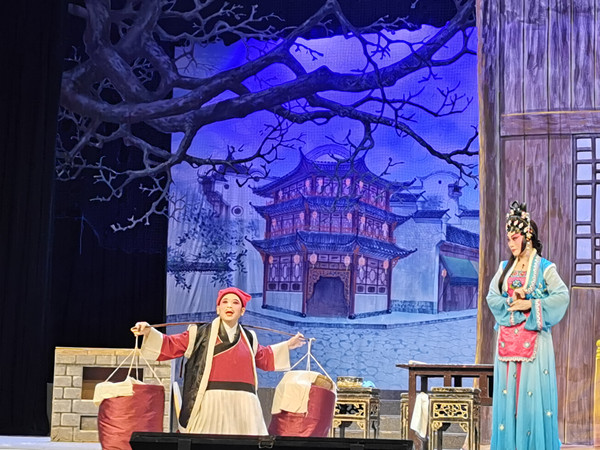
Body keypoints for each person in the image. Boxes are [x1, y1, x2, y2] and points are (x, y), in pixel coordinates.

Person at [131, 287, 306, 435]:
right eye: (225, 302)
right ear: (218, 308)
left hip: (244, 405)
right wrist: (148, 332)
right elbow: (171, 344)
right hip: (210, 402)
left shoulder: (249, 338)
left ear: (242, 311)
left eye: (235, 302)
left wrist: (288, 345)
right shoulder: (199, 334)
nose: (229, 305)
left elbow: (264, 356)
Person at [486, 201, 569, 449]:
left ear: (528, 236)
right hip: (507, 344)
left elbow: (561, 296)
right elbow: (492, 297)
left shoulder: (544, 268)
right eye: (508, 239)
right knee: (508, 400)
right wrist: (512, 302)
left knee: (531, 400)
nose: (510, 244)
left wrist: (531, 305)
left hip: (534, 344)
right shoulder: (504, 268)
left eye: (514, 238)